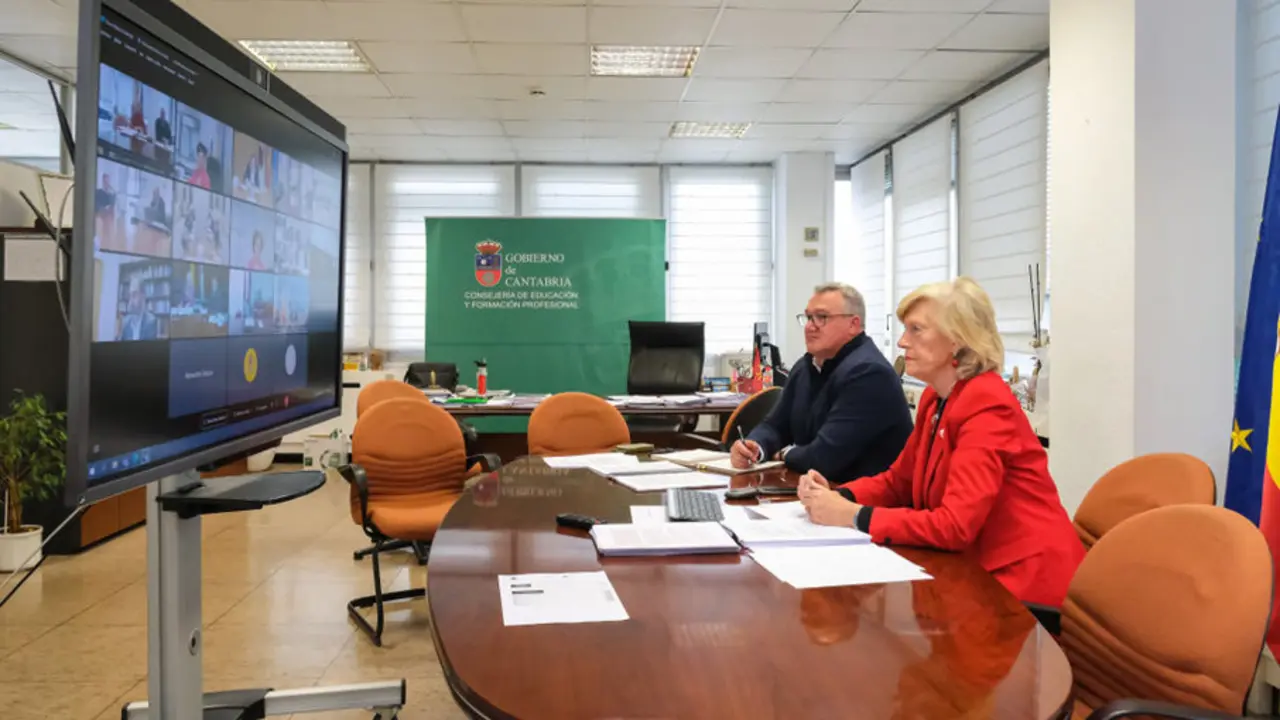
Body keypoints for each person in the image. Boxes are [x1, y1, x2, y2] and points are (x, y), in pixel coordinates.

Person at [798, 277, 1084, 607]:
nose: (902, 342)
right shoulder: (937, 398)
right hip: (971, 573)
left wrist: (854, 515)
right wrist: (837, 496)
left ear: (958, 341)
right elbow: (898, 482)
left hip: (1021, 588)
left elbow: (954, 525)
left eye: (916, 330)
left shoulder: (988, 405)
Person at [730, 283, 913, 482]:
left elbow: (825, 458)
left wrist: (784, 454)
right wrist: (755, 446)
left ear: (853, 324)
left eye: (822, 317)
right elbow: (776, 425)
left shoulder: (869, 373)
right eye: (809, 317)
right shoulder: (806, 365)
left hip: (862, 502)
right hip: (816, 490)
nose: (810, 326)